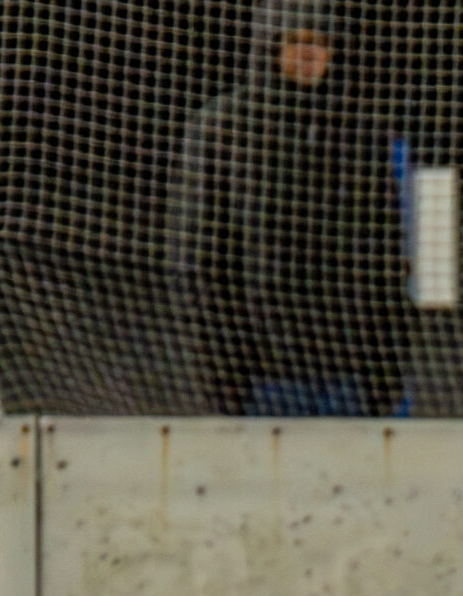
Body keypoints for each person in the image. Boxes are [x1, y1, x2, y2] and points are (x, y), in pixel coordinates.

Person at [167, 0, 407, 417]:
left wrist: (387, 372)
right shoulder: (222, 129)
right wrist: (220, 376)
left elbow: (385, 256)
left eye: (320, 42)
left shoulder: (362, 132)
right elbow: (197, 260)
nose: (308, 54)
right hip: (262, 377)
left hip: (347, 375)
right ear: (270, 47)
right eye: (295, 41)